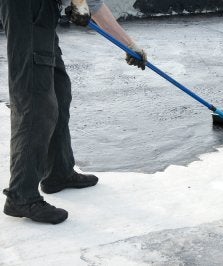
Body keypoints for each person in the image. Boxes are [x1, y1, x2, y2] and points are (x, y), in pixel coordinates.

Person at [0, 0, 147, 224]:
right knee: (36, 100)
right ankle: (21, 196)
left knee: (59, 90)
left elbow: (94, 4)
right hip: (26, 7)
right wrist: (78, 2)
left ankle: (58, 172)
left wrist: (129, 45)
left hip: (41, 11)